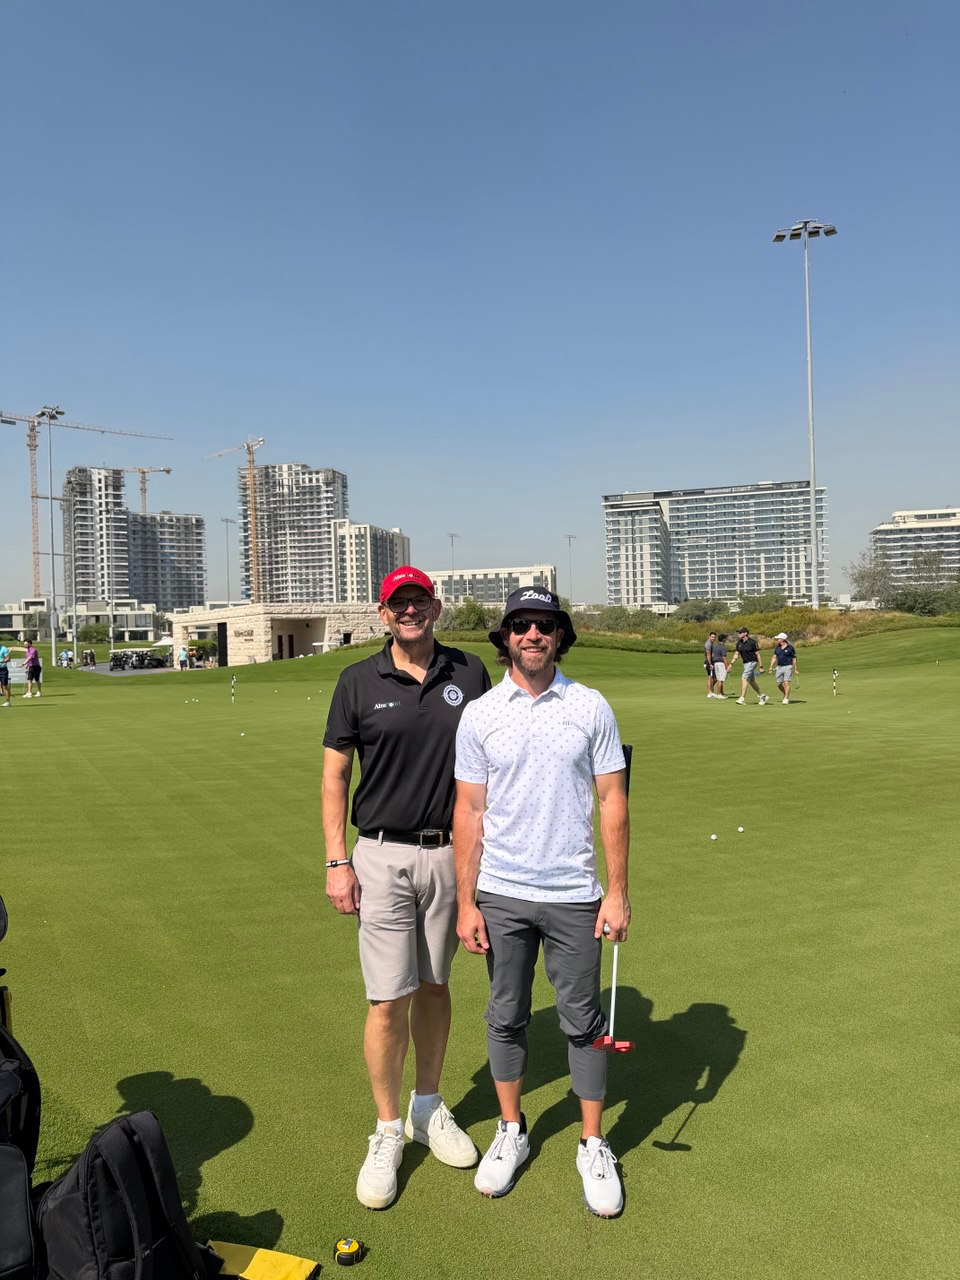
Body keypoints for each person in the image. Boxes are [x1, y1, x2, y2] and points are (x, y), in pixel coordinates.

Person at [453, 588, 630, 1218]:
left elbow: (612, 799)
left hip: (575, 894)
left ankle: (591, 1140)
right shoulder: (479, 713)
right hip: (501, 893)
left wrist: (617, 891)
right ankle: (512, 1130)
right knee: (505, 1014)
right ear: (505, 636)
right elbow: (469, 809)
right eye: (521, 625)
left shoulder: (589, 706)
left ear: (561, 635)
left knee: (582, 1021)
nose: (533, 634)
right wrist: (466, 902)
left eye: (545, 625)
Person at [322, 565, 491, 1210]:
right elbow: (336, 777)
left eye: (419, 601)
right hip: (382, 856)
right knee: (387, 999)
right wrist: (337, 861)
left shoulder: (469, 674)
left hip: (450, 857)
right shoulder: (357, 681)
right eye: (399, 604)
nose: (410, 611)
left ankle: (428, 1105)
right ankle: (388, 1128)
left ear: (436, 607)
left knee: (435, 985)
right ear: (383, 612)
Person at [729, 626, 767, 705]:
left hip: (752, 662)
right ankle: (762, 696)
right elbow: (736, 654)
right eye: (738, 632)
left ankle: (742, 698)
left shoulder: (752, 642)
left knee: (744, 678)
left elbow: (758, 655)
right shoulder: (739, 643)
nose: (738, 634)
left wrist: (761, 666)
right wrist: (730, 664)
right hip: (746, 664)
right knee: (751, 680)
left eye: (740, 632)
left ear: (745, 633)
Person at [768, 632, 798, 704]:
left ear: (782, 639)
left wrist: (795, 669)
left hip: (788, 666)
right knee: (778, 684)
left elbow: (794, 658)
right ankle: (785, 694)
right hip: (779, 667)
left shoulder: (790, 648)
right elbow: (774, 657)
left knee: (786, 682)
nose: (777, 639)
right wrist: (771, 667)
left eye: (778, 638)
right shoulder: (777, 647)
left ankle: (786, 698)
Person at [711, 633, 729, 699]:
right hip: (721, 664)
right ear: (723, 639)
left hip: (716, 664)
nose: (726, 639)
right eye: (725, 638)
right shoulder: (722, 647)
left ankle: (721, 693)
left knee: (720, 679)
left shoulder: (715, 646)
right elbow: (724, 658)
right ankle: (719, 694)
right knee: (720, 680)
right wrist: (727, 667)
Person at [703, 632, 717, 698]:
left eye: (714, 637)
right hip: (709, 662)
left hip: (710, 662)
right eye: (712, 637)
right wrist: (710, 663)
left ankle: (710, 690)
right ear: (709, 637)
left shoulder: (710, 643)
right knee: (711, 677)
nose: (713, 638)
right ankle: (709, 692)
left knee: (712, 677)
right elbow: (708, 655)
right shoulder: (708, 644)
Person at [0, 641, 12, 707]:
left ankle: (8, 702)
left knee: (5, 686)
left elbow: (8, 658)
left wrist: (3, 661)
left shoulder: (4, 648)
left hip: (2, 670)